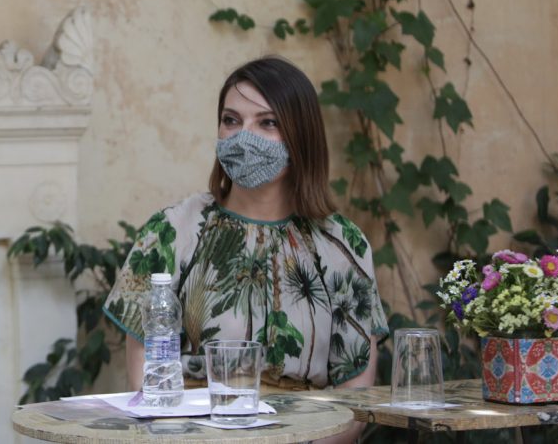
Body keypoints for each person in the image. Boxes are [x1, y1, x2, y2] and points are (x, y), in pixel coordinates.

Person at [104, 56, 387, 437]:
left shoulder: (342, 245)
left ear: (301, 135)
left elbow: (357, 397)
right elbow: (143, 383)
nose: (242, 136)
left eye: (267, 123)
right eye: (231, 120)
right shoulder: (171, 231)